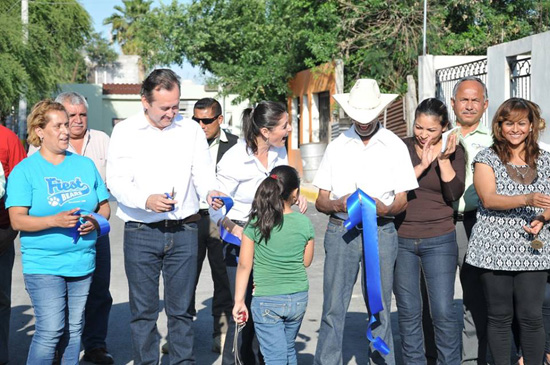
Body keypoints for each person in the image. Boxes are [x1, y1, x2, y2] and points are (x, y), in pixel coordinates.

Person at [107, 69, 222, 364]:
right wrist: (146, 200)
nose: (172, 113)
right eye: (165, 108)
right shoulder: (125, 131)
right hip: (141, 232)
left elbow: (204, 174)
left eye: (176, 106)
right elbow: (117, 181)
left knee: (181, 311)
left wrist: (210, 192)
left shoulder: (191, 130)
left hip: (185, 231)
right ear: (144, 101)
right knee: (143, 313)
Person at [313, 79, 418, 365]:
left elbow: (402, 199)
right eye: (357, 117)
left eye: (367, 116)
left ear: (379, 112)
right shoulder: (337, 146)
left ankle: (381, 361)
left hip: (381, 232)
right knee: (333, 307)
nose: (362, 122)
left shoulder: (395, 146)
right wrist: (339, 203)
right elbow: (321, 200)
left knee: (380, 304)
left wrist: (381, 209)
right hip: (341, 229)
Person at [5, 100, 110, 364]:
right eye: (59, 125)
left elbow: (105, 207)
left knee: (74, 330)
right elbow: (17, 220)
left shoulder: (85, 165)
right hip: (44, 265)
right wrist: (55, 220)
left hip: (82, 262)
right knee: (51, 330)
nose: (66, 130)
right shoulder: (25, 170)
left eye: (67, 124)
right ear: (40, 130)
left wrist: (96, 222)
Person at [213, 100, 307, 364]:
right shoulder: (234, 159)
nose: (289, 129)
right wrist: (233, 229)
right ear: (266, 131)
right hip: (239, 237)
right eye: (284, 125)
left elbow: (283, 190)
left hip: (271, 240)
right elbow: (215, 206)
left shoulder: (280, 153)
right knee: (243, 313)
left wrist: (295, 198)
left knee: (267, 309)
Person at [465, 98, 550, 364]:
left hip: (532, 248)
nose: (515, 129)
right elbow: (489, 199)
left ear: (531, 126)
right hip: (493, 247)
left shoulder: (546, 160)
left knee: (531, 316)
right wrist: (527, 199)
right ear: (499, 127)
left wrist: (543, 217)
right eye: (508, 123)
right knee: (500, 316)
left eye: (521, 123)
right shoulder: (486, 158)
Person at [162, 98, 237, 355]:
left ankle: (223, 332)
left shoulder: (236, 145)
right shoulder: (183, 141)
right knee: (183, 279)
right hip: (189, 218)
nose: (201, 125)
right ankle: (178, 336)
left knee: (223, 277)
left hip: (221, 220)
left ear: (219, 119)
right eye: (196, 120)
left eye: (206, 120)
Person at [393, 98, 465, 364]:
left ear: (444, 127)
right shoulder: (400, 147)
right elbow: (393, 185)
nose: (423, 134)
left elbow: (454, 193)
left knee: (443, 311)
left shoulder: (456, 150)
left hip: (440, 239)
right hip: (402, 239)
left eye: (431, 130)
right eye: (419, 127)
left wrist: (443, 160)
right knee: (409, 312)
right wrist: (422, 165)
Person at [233, 165, 314, 364]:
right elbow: (306, 261)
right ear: (295, 193)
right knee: (287, 351)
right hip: (298, 298)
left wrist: (239, 301)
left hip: (267, 300)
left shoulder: (255, 223)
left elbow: (244, 265)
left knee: (274, 358)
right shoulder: (304, 223)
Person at [450, 76, 493, 365]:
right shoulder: (442, 137)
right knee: (435, 300)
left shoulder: (494, 141)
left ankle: (472, 359)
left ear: (485, 104)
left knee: (476, 295)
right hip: (441, 222)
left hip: (480, 223)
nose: (469, 105)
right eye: (463, 99)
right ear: (453, 103)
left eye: (475, 100)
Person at [0, 124, 26, 365]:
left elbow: (21, 186)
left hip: (0, 232)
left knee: (1, 299)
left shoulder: (8, 139)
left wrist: (9, 230)